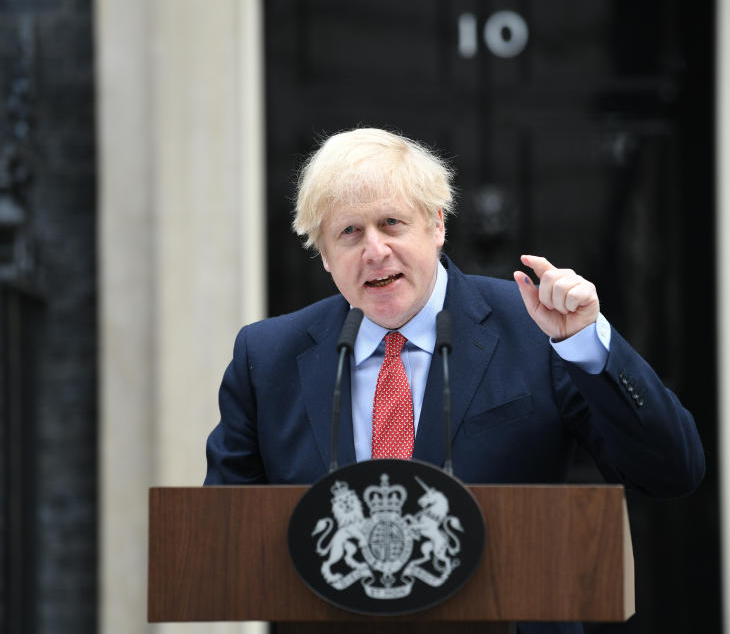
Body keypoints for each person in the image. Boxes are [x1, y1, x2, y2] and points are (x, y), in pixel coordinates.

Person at [204, 128, 704, 631]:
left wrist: (585, 347)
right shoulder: (266, 357)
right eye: (349, 232)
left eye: (391, 223)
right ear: (326, 256)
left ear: (437, 224)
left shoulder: (535, 330)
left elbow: (671, 471)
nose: (374, 250)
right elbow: (222, 548)